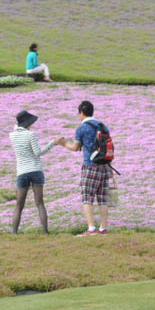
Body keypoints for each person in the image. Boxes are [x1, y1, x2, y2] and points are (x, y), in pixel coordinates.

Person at [56, 99, 111, 235]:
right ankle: (103, 229)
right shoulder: (103, 126)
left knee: (87, 197)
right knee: (102, 198)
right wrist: (109, 167)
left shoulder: (81, 128)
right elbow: (107, 148)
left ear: (81, 113)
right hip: (104, 166)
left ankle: (91, 228)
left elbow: (75, 147)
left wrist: (63, 144)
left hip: (90, 166)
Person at [8, 110, 54, 234]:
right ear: (27, 123)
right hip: (35, 170)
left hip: (22, 172)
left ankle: (14, 233)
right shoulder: (30, 134)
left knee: (19, 205)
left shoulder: (12, 135)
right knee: (40, 203)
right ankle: (45, 232)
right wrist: (53, 143)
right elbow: (38, 153)